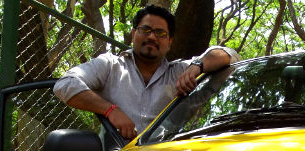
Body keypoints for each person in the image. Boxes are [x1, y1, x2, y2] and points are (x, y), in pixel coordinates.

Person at [53, 5, 239, 140]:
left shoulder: (180, 71)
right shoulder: (110, 65)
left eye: (160, 33)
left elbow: (230, 55)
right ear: (134, 34)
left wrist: (197, 65)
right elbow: (65, 84)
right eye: (146, 30)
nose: (152, 37)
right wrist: (110, 110)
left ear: (169, 42)